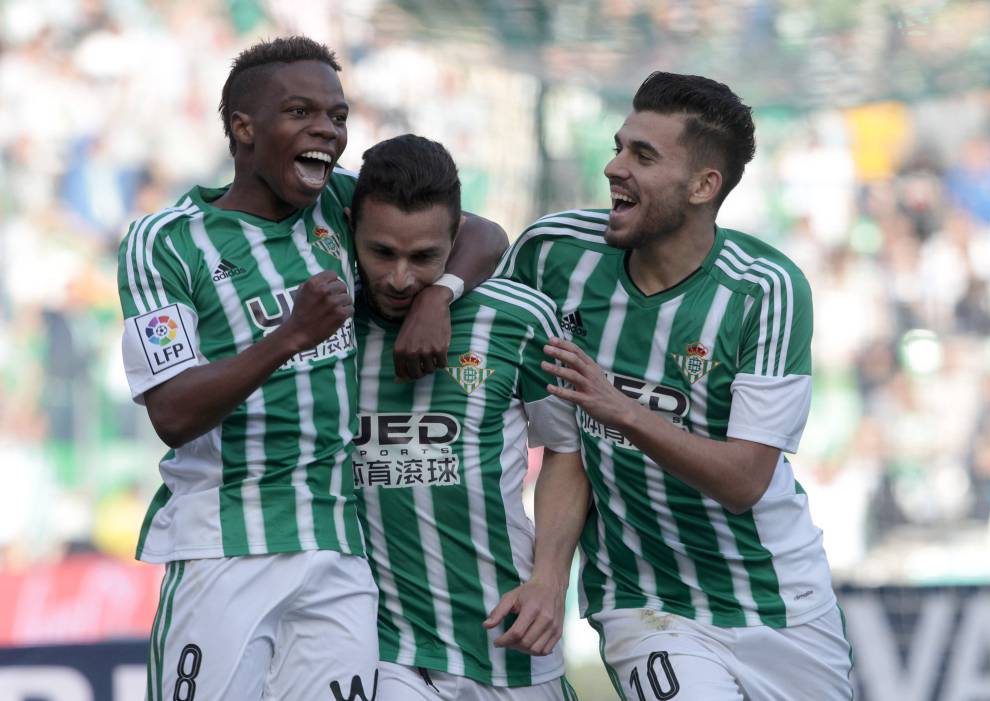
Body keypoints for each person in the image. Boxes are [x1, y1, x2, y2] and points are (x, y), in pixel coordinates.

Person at [117, 36, 505, 700]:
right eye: (301, 112)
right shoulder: (168, 241)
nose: (328, 129)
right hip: (224, 546)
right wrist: (290, 336)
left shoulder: (338, 203)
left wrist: (439, 296)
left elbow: (481, 232)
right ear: (244, 127)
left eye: (338, 115)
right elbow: (173, 412)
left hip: (337, 550)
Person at [496, 72, 853, 700]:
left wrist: (620, 409)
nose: (614, 167)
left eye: (643, 156)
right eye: (618, 147)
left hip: (779, 600)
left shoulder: (764, 290)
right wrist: (550, 578)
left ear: (702, 185)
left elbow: (745, 479)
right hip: (644, 604)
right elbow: (567, 445)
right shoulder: (553, 252)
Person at [350, 133, 590, 700]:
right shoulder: (327, 323)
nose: (401, 278)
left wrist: (550, 581)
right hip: (380, 649)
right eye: (381, 253)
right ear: (350, 231)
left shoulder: (518, 318)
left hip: (506, 636)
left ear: (455, 239)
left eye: (423, 257)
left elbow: (567, 449)